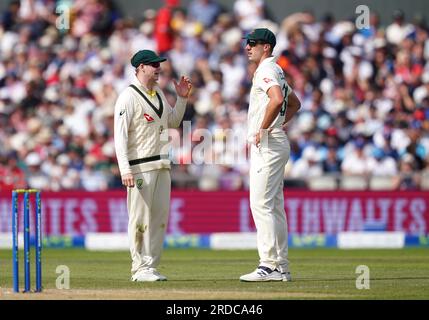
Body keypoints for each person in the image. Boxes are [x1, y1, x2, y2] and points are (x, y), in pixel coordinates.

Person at [114, 49, 192, 281]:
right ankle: (139, 268)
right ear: (140, 68)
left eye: (158, 64)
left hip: (161, 165)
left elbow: (173, 122)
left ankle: (150, 266)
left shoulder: (157, 92)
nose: (158, 68)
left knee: (158, 219)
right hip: (139, 167)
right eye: (153, 64)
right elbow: (120, 137)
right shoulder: (127, 97)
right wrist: (125, 169)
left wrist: (182, 98)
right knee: (139, 218)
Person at [240, 28, 301, 282]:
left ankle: (269, 265)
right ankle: (281, 266)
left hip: (269, 144)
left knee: (261, 204)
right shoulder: (276, 71)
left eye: (252, 43)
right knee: (274, 206)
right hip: (276, 142)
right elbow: (294, 103)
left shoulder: (265, 70)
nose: (247, 47)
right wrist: (277, 127)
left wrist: (264, 129)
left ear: (266, 47)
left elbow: (277, 100)